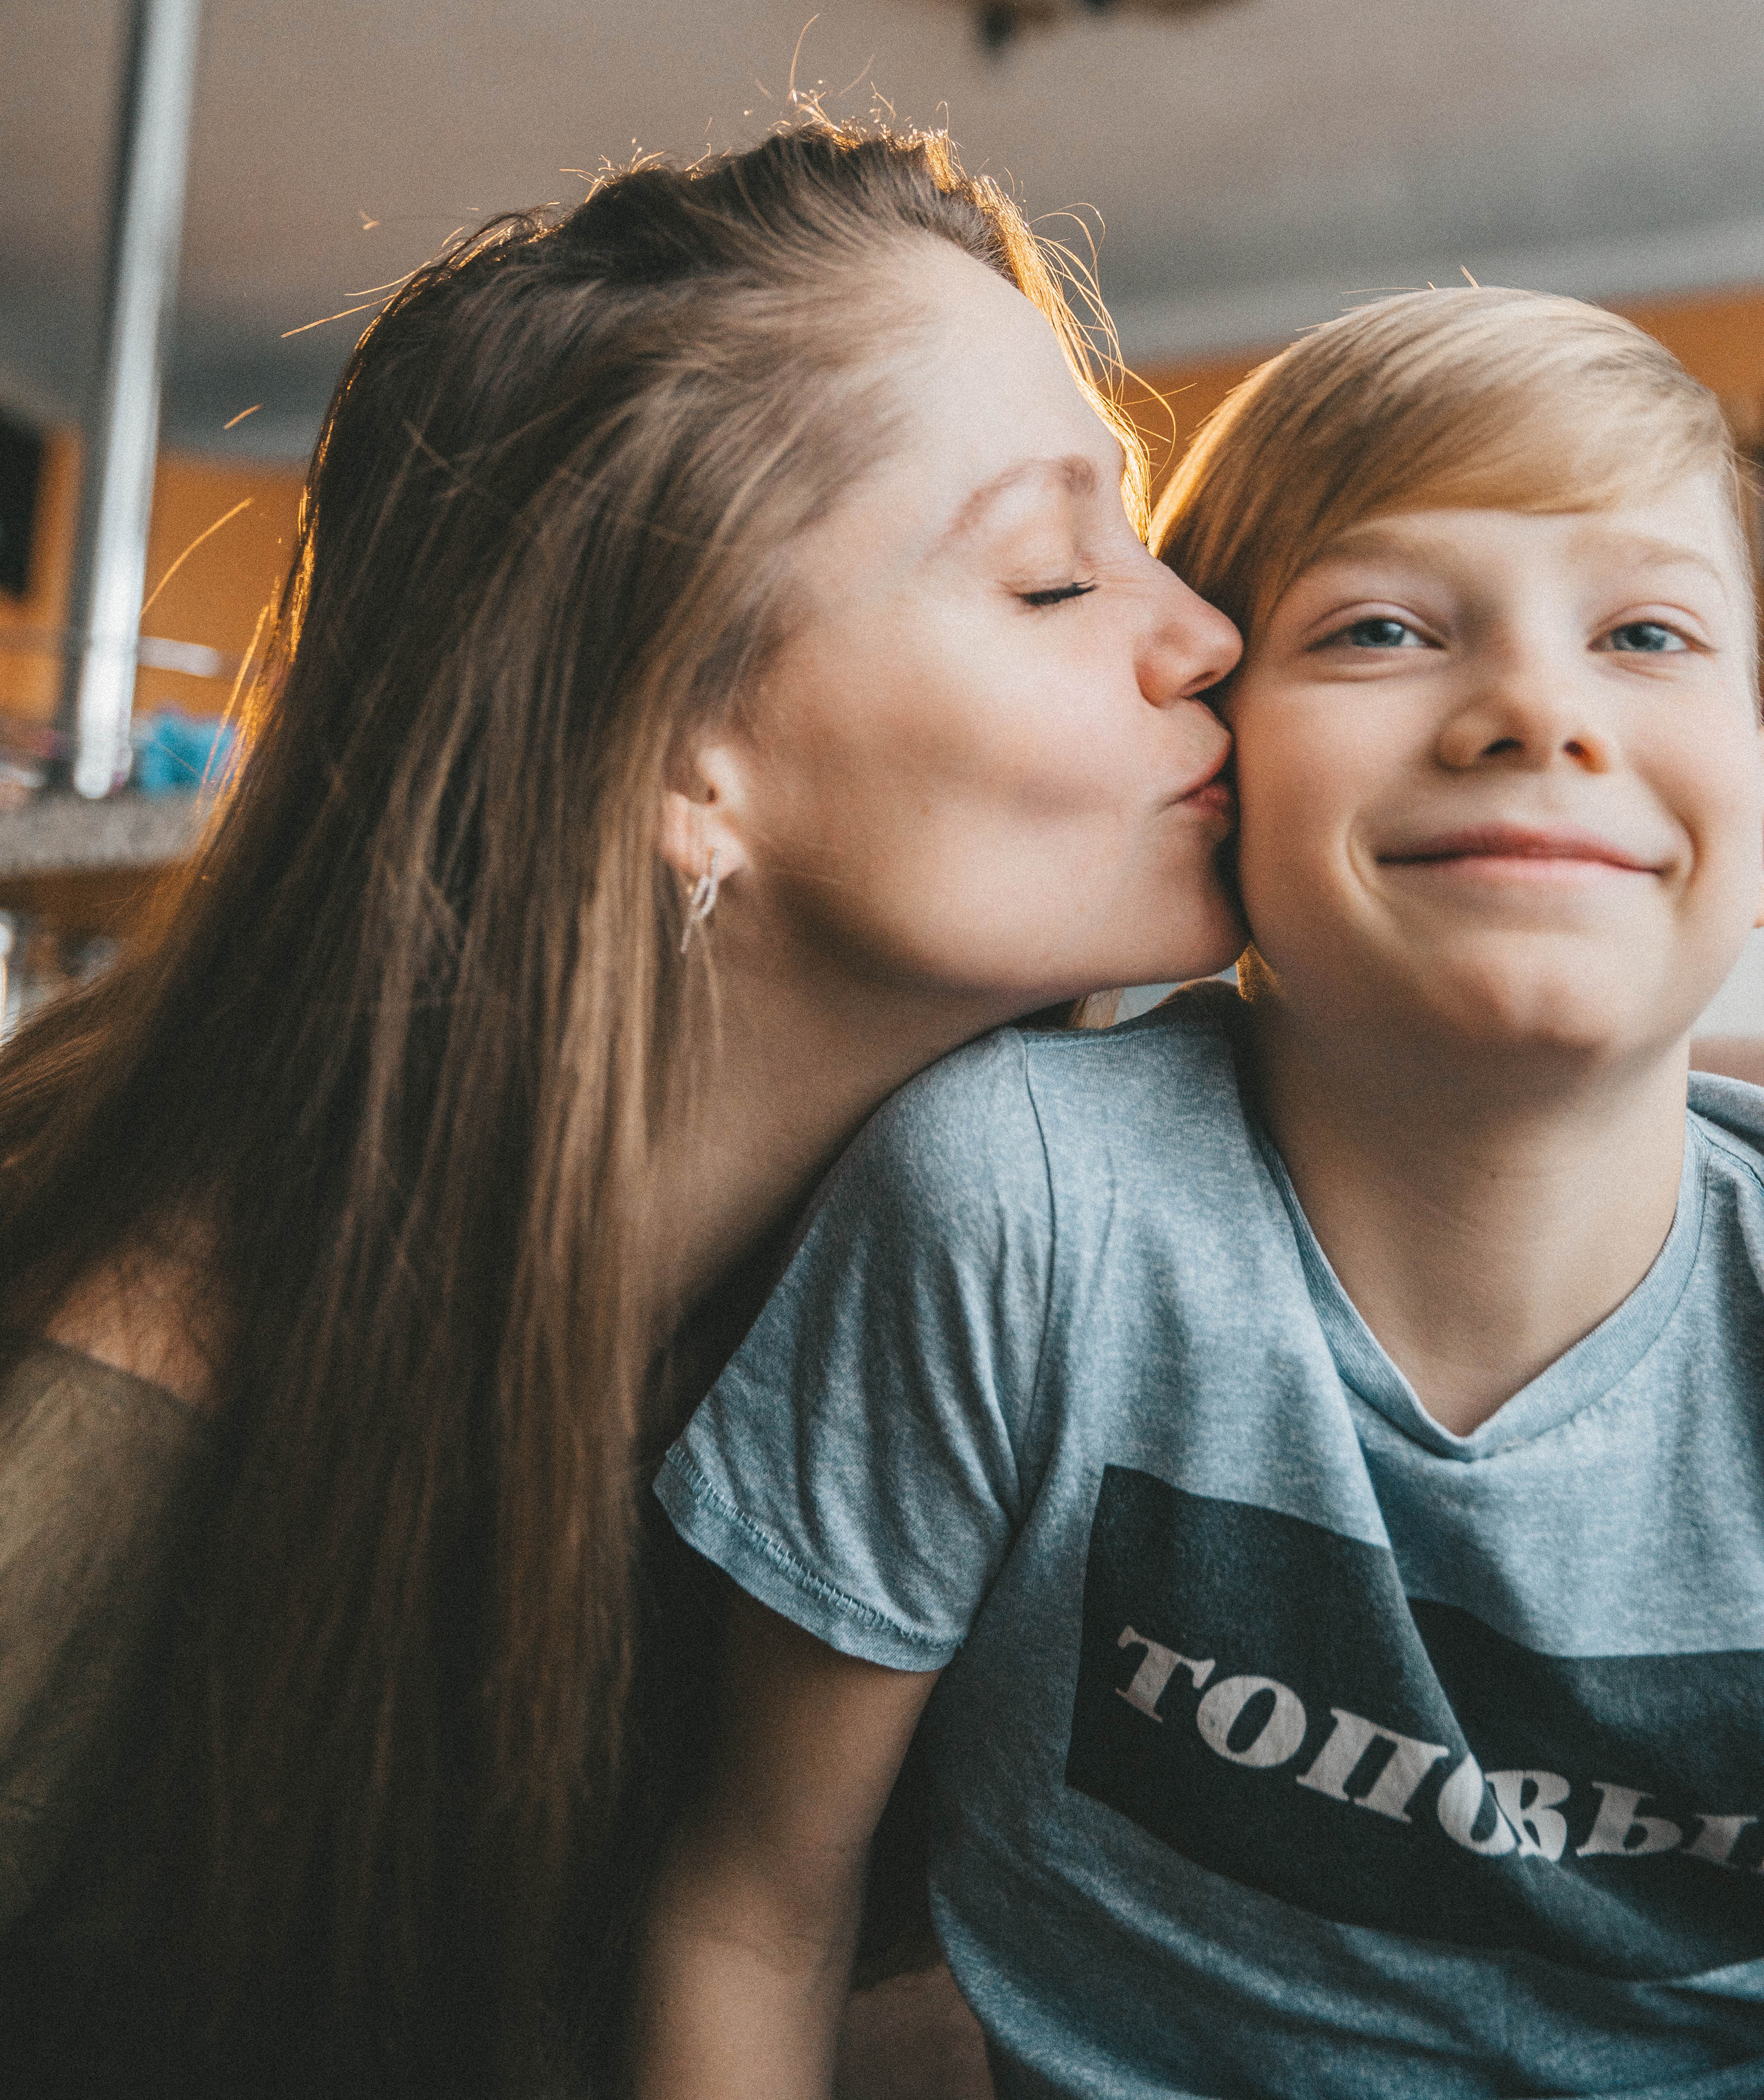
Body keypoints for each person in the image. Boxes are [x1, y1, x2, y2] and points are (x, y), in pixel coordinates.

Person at [0, 116, 1244, 2099]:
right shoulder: (97, 1439)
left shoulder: (910, 1314)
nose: (1205, 636)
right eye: (1049, 577)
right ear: (684, 750)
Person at [635, 287, 1764, 2100]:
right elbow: (754, 1908)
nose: (1537, 709)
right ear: (1217, 770)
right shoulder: (1014, 1212)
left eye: (1648, 632)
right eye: (1381, 629)